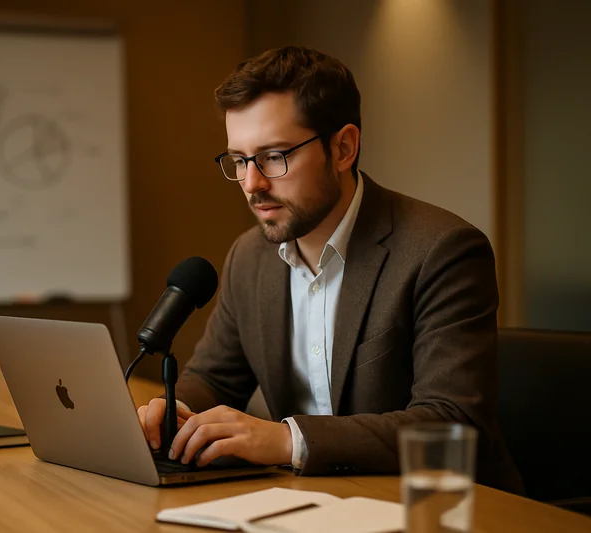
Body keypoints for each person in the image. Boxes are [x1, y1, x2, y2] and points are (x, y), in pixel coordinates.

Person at [137, 46, 523, 494]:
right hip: (314, 501)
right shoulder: (251, 256)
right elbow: (215, 378)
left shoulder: (442, 250)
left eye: (275, 156)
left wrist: (287, 440)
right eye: (239, 160)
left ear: (343, 148)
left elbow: (452, 422)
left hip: (437, 505)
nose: (252, 183)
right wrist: (174, 411)